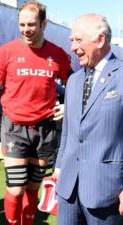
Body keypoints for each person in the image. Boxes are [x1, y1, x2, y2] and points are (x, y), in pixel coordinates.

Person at [0, 1, 71, 225]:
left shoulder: (57, 54)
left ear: (43, 24)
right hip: (14, 127)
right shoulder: (7, 51)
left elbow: (76, 86)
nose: (26, 29)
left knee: (32, 187)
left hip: (46, 128)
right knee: (16, 188)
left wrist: (68, 106)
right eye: (22, 24)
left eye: (31, 24)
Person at [54, 13, 123, 224]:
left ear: (100, 40)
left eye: (78, 40)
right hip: (68, 189)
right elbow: (68, 131)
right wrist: (58, 169)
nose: (73, 47)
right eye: (71, 41)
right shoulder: (73, 80)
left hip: (106, 190)